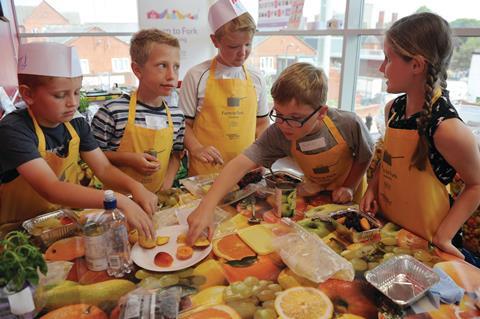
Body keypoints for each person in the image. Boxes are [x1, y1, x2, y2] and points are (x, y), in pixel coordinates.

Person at [186, 62, 374, 243]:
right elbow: (239, 164)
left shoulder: (348, 123)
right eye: (279, 115)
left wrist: (350, 186)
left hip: (351, 199)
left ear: (322, 112)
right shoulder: (278, 133)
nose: (284, 125)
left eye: (295, 118)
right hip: (317, 196)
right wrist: (206, 207)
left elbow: (365, 155)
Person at [0, 42, 156, 238]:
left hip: (63, 224)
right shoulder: (14, 129)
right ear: (28, 94)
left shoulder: (76, 123)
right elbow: (51, 188)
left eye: (76, 92)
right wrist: (117, 200)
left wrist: (135, 187)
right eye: (60, 95)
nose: (72, 103)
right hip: (18, 233)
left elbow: (104, 169)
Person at [360, 12, 480, 259]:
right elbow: (392, 158)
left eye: (387, 59)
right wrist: (373, 186)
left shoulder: (447, 128)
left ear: (416, 65)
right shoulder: (393, 109)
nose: (382, 68)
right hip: (392, 230)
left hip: (429, 242)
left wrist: (444, 236)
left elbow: (477, 184)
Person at [178, 0, 269, 176]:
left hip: (245, 170)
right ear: (215, 41)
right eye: (233, 46)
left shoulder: (256, 77)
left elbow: (262, 123)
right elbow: (184, 125)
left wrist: (262, 156)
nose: (242, 52)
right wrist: (197, 148)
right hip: (206, 171)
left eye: (248, 44)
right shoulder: (196, 75)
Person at [91, 29, 185, 193]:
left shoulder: (177, 116)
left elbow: (175, 155)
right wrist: (128, 159)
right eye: (162, 66)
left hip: (157, 200)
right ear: (137, 70)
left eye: (176, 67)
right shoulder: (112, 112)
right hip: (117, 203)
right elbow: (92, 157)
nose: (172, 75)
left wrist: (166, 186)